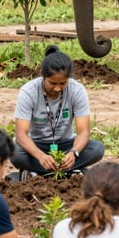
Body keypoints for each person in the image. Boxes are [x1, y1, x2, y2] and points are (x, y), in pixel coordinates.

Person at [12, 45, 105, 178]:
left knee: (97, 149)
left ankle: (36, 173)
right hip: (36, 145)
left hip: (65, 145)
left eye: (62, 84)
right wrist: (40, 156)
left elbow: (83, 132)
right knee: (13, 151)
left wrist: (74, 153)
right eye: (52, 83)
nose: (57, 88)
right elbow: (21, 135)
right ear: (43, 76)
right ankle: (70, 172)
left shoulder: (77, 90)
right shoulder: (28, 92)